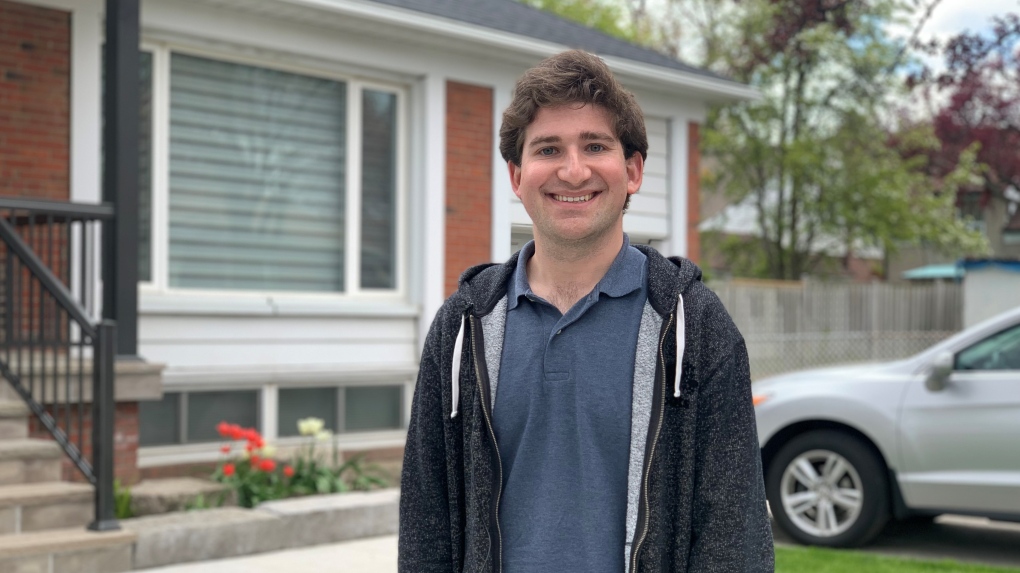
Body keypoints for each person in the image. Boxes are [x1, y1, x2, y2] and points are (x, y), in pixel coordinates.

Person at [399, 49, 774, 573]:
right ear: (516, 175)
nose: (572, 171)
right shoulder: (464, 326)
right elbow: (426, 521)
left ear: (633, 170)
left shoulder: (693, 325)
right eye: (548, 148)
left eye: (594, 145)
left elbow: (733, 535)